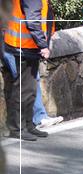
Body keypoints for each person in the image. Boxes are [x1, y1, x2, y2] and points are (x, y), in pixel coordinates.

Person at [3, 0, 53, 141]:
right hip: (23, 46)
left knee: (29, 90)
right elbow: (32, 20)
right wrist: (43, 45)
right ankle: (17, 128)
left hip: (27, 46)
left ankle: (28, 125)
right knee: (24, 90)